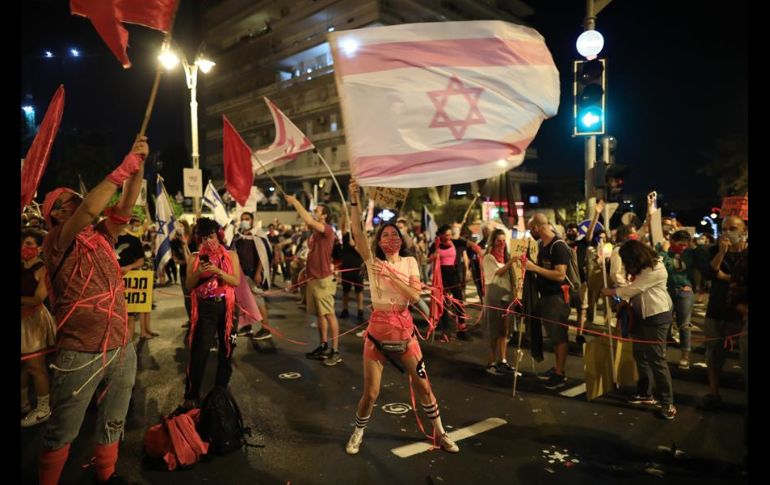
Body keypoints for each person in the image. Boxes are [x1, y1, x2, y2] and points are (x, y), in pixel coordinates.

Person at [38, 135, 148, 484]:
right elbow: (89, 210)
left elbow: (127, 204)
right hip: (79, 351)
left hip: (120, 346)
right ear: (55, 214)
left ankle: (107, 473)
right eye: (70, 201)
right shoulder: (54, 241)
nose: (79, 203)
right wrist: (120, 170)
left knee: (114, 418)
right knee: (63, 429)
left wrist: (138, 166)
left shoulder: (103, 235)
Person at [344, 180, 459, 455]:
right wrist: (354, 199)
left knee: (424, 387)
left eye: (395, 235)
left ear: (402, 240)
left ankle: (441, 434)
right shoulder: (373, 262)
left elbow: (415, 295)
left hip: (405, 334)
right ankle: (357, 433)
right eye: (385, 236)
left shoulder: (409, 263)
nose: (391, 239)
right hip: (377, 334)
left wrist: (392, 276)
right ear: (379, 242)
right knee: (370, 393)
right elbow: (357, 231)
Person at [603, 240, 676, 420]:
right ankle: (645, 393)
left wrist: (612, 292)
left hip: (656, 315)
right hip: (640, 314)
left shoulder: (656, 268)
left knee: (656, 359)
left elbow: (635, 289)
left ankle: (668, 403)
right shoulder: (642, 267)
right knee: (640, 354)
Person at [181, 218, 243, 410]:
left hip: (228, 307)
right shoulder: (194, 257)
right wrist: (199, 272)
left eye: (212, 236)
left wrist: (217, 271)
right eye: (205, 238)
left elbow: (236, 281)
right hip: (206, 308)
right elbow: (188, 285)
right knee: (199, 352)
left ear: (219, 235)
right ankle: (192, 395)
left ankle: (221, 392)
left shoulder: (231, 255)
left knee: (227, 350)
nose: (209, 241)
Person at [285, 194, 341, 366]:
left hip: (323, 279)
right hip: (313, 278)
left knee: (329, 314)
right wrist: (305, 272)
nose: (314, 210)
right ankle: (324, 346)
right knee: (319, 315)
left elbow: (308, 221)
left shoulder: (327, 229)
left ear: (324, 215)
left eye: (317, 209)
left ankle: (335, 350)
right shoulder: (315, 234)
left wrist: (295, 202)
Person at [699, 216, 748, 410]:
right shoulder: (714, 250)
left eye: (733, 228)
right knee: (714, 354)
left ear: (743, 231)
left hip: (741, 312)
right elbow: (709, 274)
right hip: (717, 310)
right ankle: (713, 392)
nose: (728, 232)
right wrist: (721, 253)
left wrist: (726, 277)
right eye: (725, 228)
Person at [526, 213, 572, 389]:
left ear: (537, 227)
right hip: (546, 297)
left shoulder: (557, 246)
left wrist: (534, 268)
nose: (531, 233)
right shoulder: (543, 245)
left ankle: (560, 375)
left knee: (560, 336)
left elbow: (560, 274)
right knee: (554, 336)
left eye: (532, 229)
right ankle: (557, 368)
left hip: (557, 297)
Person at [21, 228, 57, 427]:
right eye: (22, 244)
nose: (23, 248)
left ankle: (43, 408)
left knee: (36, 367)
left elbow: (37, 298)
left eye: (28, 244)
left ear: (39, 247)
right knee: (25, 366)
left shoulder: (43, 269)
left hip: (33, 322)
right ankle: (24, 403)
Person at [482, 229, 517, 375]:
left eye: (503, 241)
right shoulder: (488, 258)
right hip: (494, 299)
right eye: (499, 241)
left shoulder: (507, 257)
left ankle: (503, 360)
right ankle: (491, 362)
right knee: (493, 332)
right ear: (493, 241)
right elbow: (497, 273)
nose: (501, 244)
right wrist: (511, 263)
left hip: (507, 299)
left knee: (504, 332)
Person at [659, 230, 696, 369]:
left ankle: (685, 356)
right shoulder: (664, 253)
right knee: (664, 322)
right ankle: (661, 352)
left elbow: (701, 265)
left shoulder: (690, 254)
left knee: (685, 325)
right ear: (672, 242)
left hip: (684, 291)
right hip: (666, 291)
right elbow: (661, 266)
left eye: (685, 245)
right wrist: (664, 251)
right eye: (680, 244)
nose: (683, 247)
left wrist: (690, 285)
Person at [428, 225, 470, 341]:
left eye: (450, 235)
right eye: (446, 235)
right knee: (444, 303)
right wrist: (433, 256)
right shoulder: (435, 245)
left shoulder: (455, 243)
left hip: (453, 274)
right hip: (441, 276)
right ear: (440, 235)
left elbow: (468, 244)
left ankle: (462, 328)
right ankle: (445, 331)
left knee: (459, 301)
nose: (448, 237)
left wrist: (476, 248)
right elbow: (426, 260)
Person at [337, 215, 366, 322]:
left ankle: (360, 312)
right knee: (345, 291)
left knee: (359, 291)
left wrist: (354, 246)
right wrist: (345, 213)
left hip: (357, 268)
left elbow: (364, 253)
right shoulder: (346, 236)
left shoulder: (361, 237)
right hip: (346, 267)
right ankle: (345, 310)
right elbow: (343, 226)